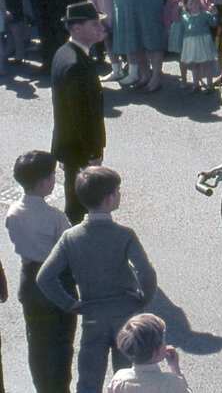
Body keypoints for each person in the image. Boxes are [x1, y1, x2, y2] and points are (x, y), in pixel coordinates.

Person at [37, 165, 158, 393]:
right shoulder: (124, 235)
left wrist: (70, 303)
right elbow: (146, 272)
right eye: (117, 191)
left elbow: (45, 277)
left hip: (92, 316)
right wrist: (143, 298)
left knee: (89, 380)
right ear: (109, 199)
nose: (120, 194)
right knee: (128, 378)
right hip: (126, 316)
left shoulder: (70, 238)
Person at [5, 150, 76, 392]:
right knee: (61, 343)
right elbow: (68, 249)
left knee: (36, 341)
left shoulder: (12, 212)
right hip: (56, 280)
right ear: (45, 181)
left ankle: (42, 387)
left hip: (29, 281)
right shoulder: (54, 217)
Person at [51, 1, 107, 223]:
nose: (100, 28)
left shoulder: (65, 52)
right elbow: (83, 117)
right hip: (79, 148)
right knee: (78, 205)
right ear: (76, 28)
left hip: (69, 144)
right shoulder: (75, 64)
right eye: (94, 24)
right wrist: (94, 154)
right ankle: (74, 248)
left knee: (76, 199)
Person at [109, 313, 191, 392]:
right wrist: (175, 368)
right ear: (158, 350)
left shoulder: (119, 380)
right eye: (163, 341)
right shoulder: (172, 382)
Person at [178, 0, 217, 94]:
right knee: (195, 64)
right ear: (186, 5)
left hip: (203, 42)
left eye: (196, 3)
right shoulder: (184, 17)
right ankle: (196, 84)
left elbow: (214, 24)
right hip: (191, 43)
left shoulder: (205, 14)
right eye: (191, 4)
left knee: (205, 63)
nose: (194, 6)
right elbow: (182, 31)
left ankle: (210, 84)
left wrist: (214, 15)